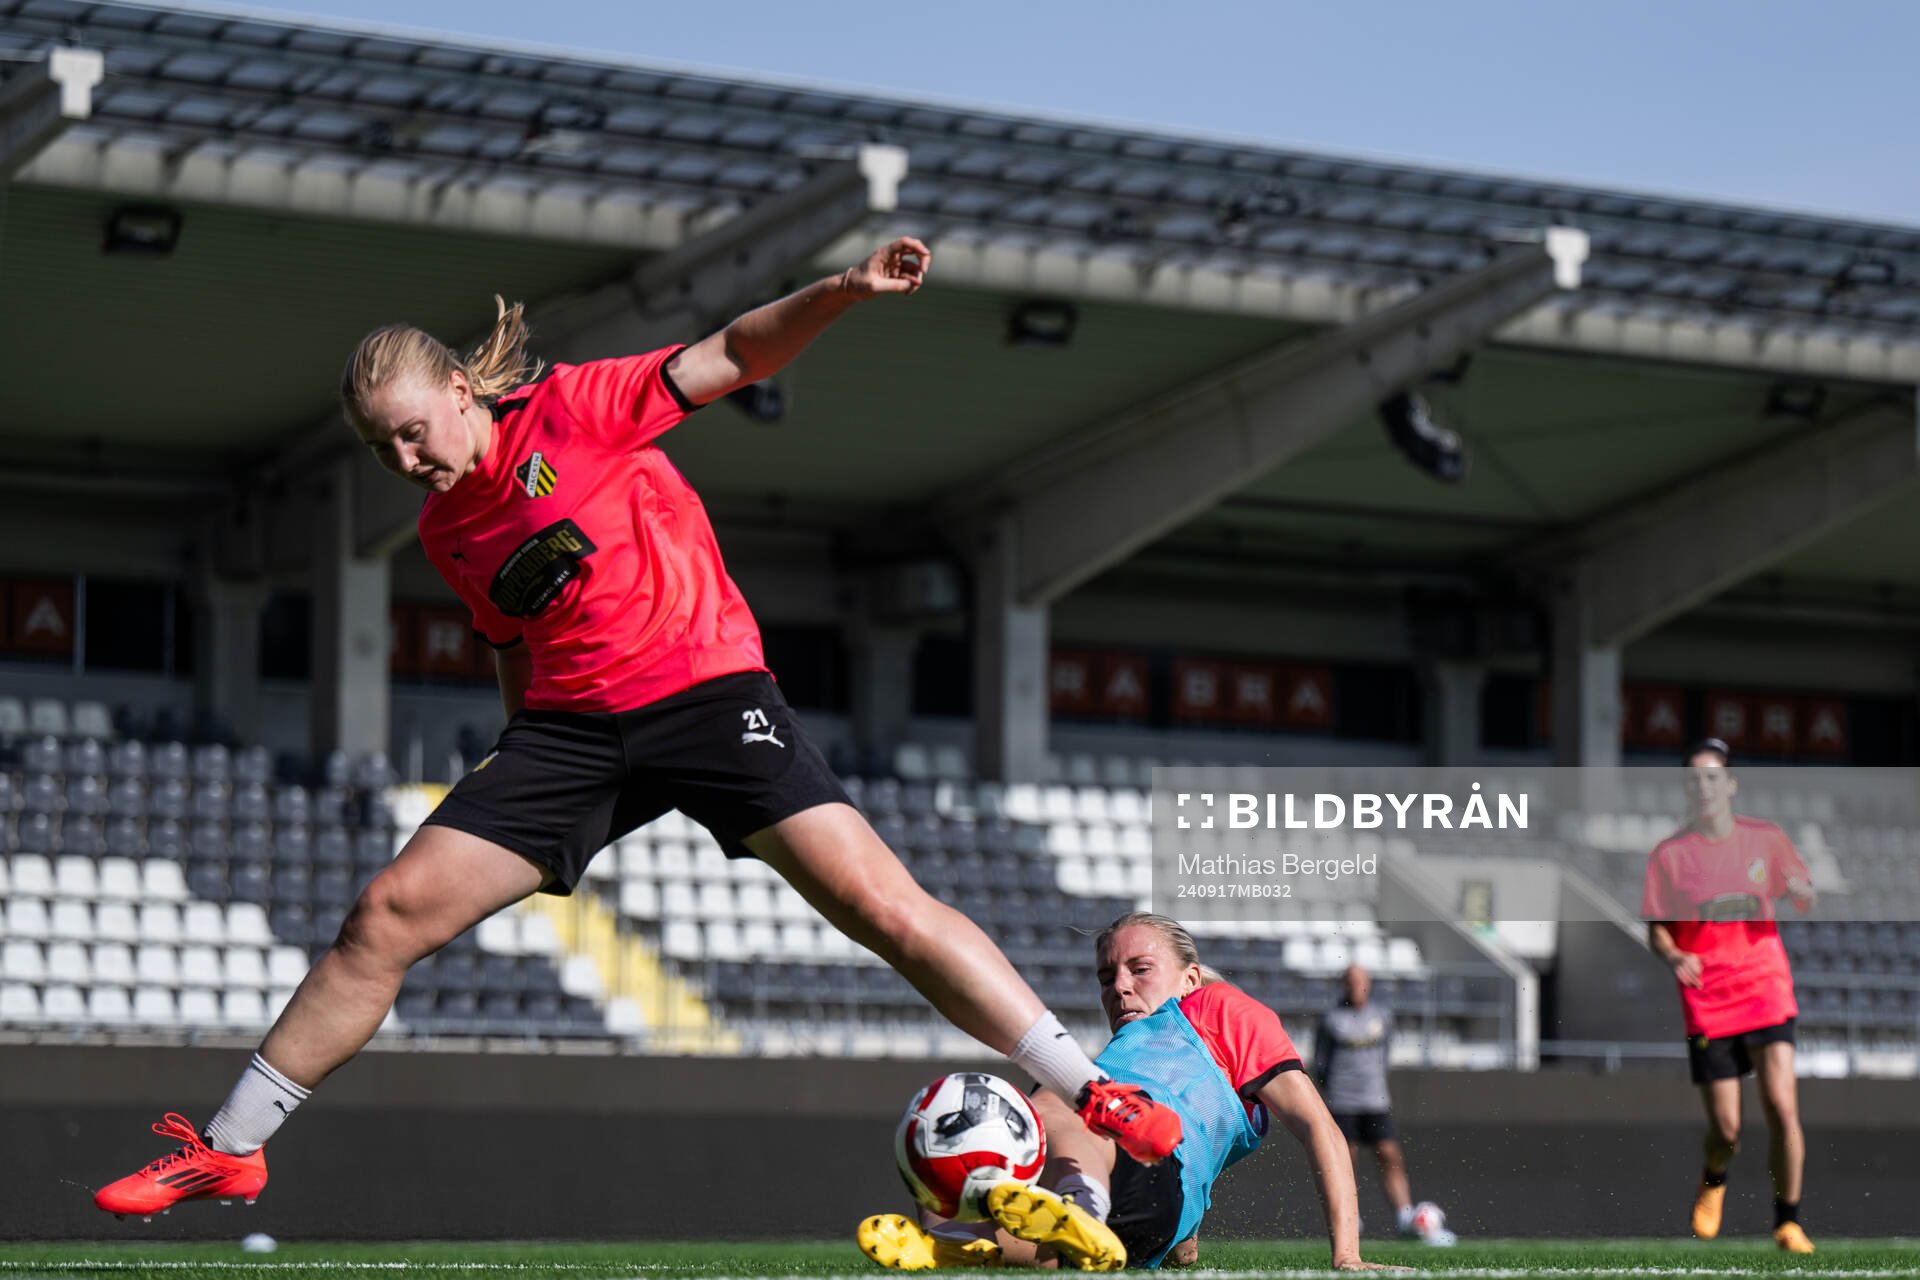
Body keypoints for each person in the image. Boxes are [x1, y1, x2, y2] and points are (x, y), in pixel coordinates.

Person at [92, 237, 1183, 1218]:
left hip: (705, 691)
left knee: (880, 906)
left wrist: (844, 289)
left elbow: (735, 352)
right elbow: (512, 640)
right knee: (383, 916)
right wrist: (519, 771)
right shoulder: (444, 527)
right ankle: (230, 1146)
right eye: (385, 450)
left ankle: (1095, 1091)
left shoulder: (575, 408)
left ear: (462, 393)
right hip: (569, 732)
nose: (408, 463)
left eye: (414, 435)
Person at [858, 912, 1403, 1272]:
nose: (1119, 986)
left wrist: (1347, 1255)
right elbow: (1205, 1150)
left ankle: (1063, 1207)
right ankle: (960, 1244)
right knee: (999, 1216)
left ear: (1190, 978)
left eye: (1140, 969)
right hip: (1147, 1223)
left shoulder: (1221, 1010)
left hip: (1134, 1156)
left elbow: (1319, 1126)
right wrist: (1185, 1246)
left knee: (1045, 1107)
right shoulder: (1126, 1051)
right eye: (1106, 976)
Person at [1642, 737, 1816, 1254]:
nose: (1704, 786)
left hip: (1765, 985)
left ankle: (1788, 1222)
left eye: (1713, 776)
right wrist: (1674, 956)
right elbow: (1658, 931)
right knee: (1728, 1128)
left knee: (1783, 1107)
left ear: (1731, 784)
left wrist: (1803, 890)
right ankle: (1714, 1175)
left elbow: (1800, 888)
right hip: (1708, 997)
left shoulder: (1765, 840)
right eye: (1694, 777)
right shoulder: (1669, 856)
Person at [1314, 964, 1455, 1246]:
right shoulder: (1331, 1019)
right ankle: (1349, 1218)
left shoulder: (1382, 1016)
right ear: (1344, 984)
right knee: (1345, 1160)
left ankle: (1405, 1217)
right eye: (1351, 982)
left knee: (1389, 1154)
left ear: (1368, 984)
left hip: (1375, 1099)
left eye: (1360, 982)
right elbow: (1321, 1060)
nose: (1356, 987)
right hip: (1343, 1100)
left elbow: (1386, 1052)